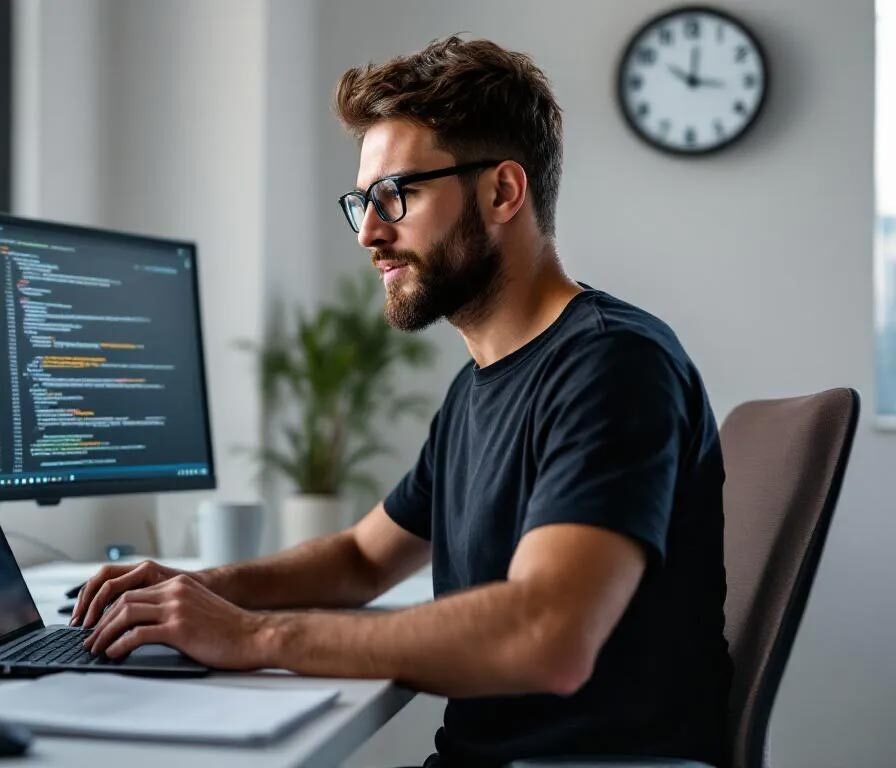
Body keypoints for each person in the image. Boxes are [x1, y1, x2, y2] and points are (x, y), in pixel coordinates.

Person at [72, 36, 730, 768]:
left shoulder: (612, 365)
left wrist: (255, 638)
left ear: (502, 193)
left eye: (397, 196)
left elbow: (548, 638)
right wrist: (194, 589)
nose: (370, 234)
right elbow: (359, 559)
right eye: (362, 202)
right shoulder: (480, 387)